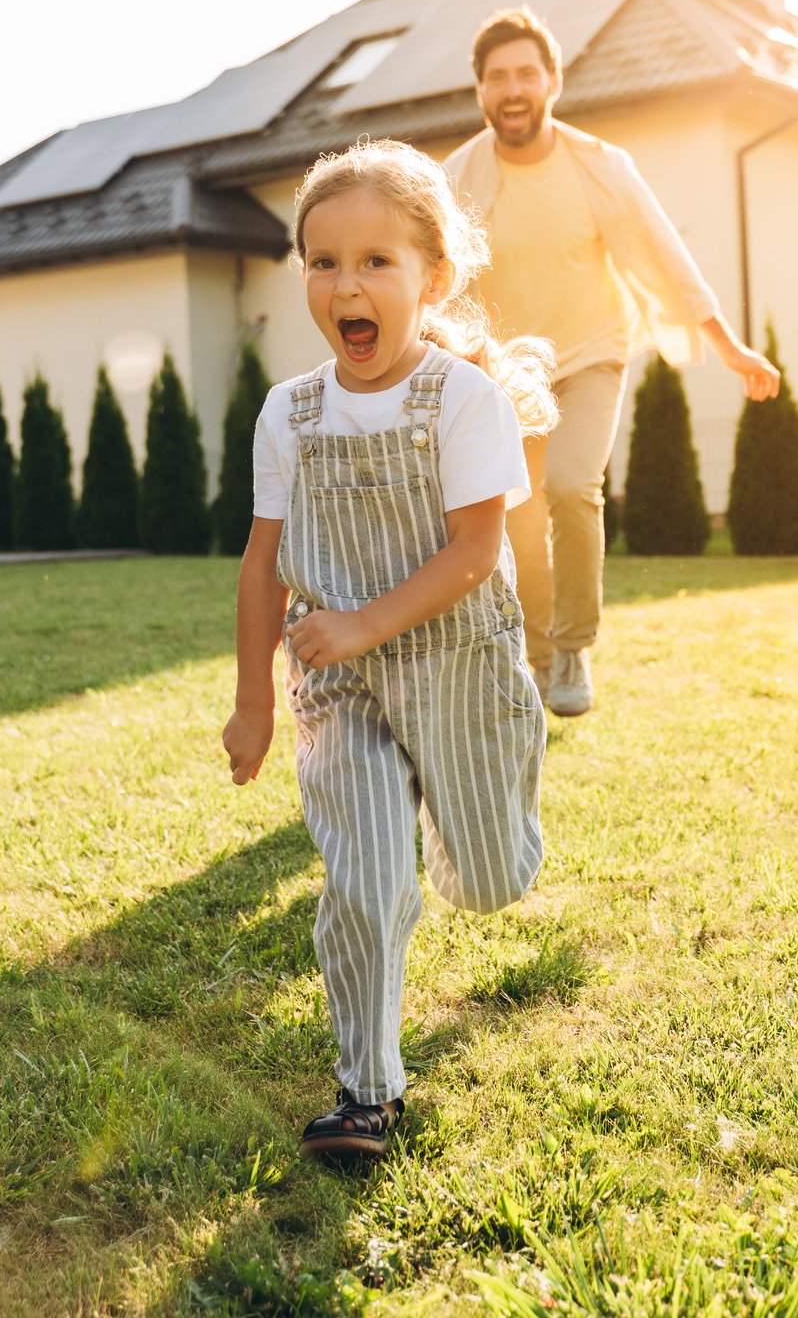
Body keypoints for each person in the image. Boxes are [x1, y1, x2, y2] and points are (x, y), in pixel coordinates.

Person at [221, 138, 558, 1163]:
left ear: (434, 278)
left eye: (375, 261)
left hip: (460, 664)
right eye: (323, 261)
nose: (346, 284)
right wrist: (255, 702)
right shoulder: (291, 412)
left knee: (489, 879)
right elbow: (260, 564)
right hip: (341, 684)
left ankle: (470, 825)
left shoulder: (462, 399)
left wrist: (368, 619)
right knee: (368, 879)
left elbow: (474, 552)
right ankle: (367, 1091)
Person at [445, 8, 779, 717]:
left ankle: (573, 648)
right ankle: (535, 661)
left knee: (571, 486)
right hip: (508, 374)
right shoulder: (457, 178)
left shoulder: (599, 166)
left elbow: (667, 257)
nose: (512, 88)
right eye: (497, 76)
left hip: (591, 355)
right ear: (478, 91)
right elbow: (429, 276)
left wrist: (729, 347)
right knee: (520, 513)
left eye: (526, 74)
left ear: (553, 82)